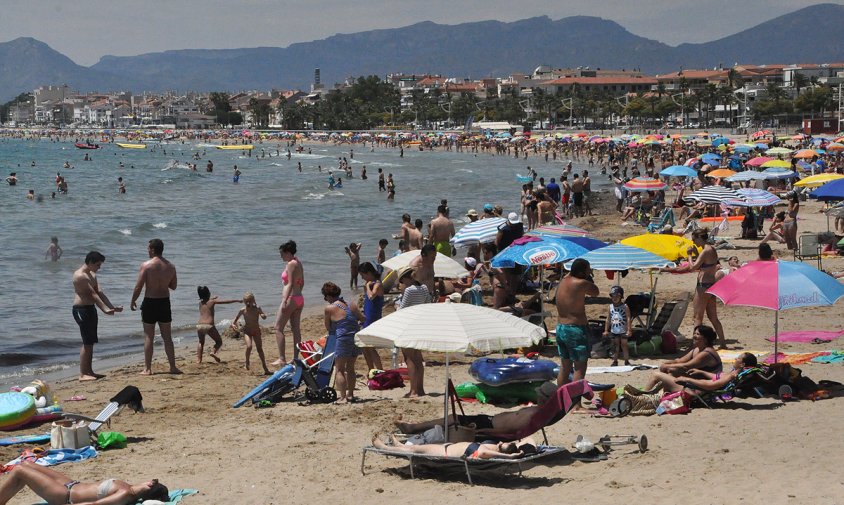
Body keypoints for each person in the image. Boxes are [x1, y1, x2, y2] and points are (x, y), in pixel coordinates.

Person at [661, 228, 727, 349]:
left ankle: (695, 344)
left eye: (694, 239)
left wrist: (689, 255)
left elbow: (692, 267)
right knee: (713, 317)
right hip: (711, 285)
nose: (693, 242)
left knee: (698, 317)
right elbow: (704, 263)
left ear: (700, 238)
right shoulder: (711, 249)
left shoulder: (706, 250)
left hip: (703, 286)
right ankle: (723, 343)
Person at [0, 462, 169, 505]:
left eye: (152, 482)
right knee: (26, 465)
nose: (149, 480)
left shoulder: (125, 494)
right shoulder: (128, 488)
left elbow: (95, 504)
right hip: (70, 484)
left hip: (64, 495)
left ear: (149, 486)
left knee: (20, 471)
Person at [130, 239, 180, 375]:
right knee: (167, 337)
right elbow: (173, 286)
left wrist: (133, 300)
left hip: (150, 302)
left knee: (148, 337)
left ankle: (147, 369)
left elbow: (139, 286)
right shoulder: (171, 266)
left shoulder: (146, 266)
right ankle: (173, 367)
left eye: (148, 249)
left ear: (152, 249)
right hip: (164, 302)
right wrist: (163, 282)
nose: (147, 251)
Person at [72, 251, 122, 381]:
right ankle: (83, 374)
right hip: (81, 310)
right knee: (86, 342)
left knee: (91, 342)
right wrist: (105, 310)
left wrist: (112, 307)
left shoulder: (92, 274)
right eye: (98, 265)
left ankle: (89, 371)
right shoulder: (80, 276)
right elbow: (92, 294)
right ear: (90, 262)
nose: (99, 267)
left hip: (90, 309)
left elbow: (99, 292)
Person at [555, 259, 599, 386]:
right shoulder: (581, 284)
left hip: (561, 328)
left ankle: (561, 400)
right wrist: (588, 277)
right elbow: (595, 292)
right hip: (575, 330)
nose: (590, 271)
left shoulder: (564, 280)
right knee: (579, 368)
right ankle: (575, 404)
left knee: (565, 367)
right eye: (588, 269)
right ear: (582, 272)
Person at [641, 325, 723, 392]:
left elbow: (686, 366)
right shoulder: (697, 350)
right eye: (694, 333)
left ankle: (643, 396)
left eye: (697, 334)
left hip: (701, 388)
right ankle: (655, 393)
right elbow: (679, 361)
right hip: (698, 382)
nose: (694, 336)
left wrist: (667, 367)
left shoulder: (706, 354)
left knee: (656, 375)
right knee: (672, 372)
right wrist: (667, 364)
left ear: (705, 338)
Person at [322, 282, 364, 404]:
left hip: (343, 338)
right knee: (350, 368)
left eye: (325, 297)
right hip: (355, 337)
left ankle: (343, 397)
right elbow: (362, 318)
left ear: (328, 296)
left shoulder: (329, 308)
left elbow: (328, 327)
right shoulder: (351, 304)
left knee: (339, 369)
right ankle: (350, 394)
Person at [644, 352, 757, 394]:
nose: (735, 359)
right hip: (696, 388)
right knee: (669, 376)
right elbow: (716, 377)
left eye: (738, 358)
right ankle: (649, 396)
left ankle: (642, 397)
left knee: (656, 375)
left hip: (694, 391)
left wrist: (688, 380)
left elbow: (711, 385)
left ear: (742, 365)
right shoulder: (732, 373)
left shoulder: (732, 376)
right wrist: (701, 371)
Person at [396, 267, 430, 397]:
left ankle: (413, 390)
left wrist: (396, 307)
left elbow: (403, 309)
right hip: (419, 325)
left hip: (408, 326)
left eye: (401, 281)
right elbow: (428, 305)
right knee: (417, 358)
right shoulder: (424, 288)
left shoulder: (409, 291)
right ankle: (420, 389)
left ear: (406, 278)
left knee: (409, 358)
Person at [371, 434, 537, 460]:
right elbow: (529, 439)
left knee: (413, 450)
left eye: (502, 444)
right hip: (447, 446)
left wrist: (510, 456)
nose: (500, 442)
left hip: (444, 452)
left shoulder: (487, 452)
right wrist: (517, 448)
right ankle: (398, 444)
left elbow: (505, 454)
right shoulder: (492, 447)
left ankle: (382, 447)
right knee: (412, 448)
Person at [274, 240, 305, 365]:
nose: (281, 256)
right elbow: (302, 282)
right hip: (299, 298)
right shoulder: (298, 262)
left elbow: (291, 283)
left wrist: (285, 299)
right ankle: (296, 357)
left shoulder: (291, 264)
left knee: (278, 328)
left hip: (291, 298)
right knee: (295, 328)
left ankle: (282, 358)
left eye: (282, 253)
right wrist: (297, 295)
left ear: (287, 252)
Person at [195, 286, 240, 364]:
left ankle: (199, 360)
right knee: (219, 341)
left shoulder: (200, 303)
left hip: (199, 325)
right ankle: (213, 352)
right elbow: (226, 301)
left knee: (201, 342)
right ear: (208, 294)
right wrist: (236, 300)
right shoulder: (212, 302)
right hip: (209, 325)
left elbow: (206, 301)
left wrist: (212, 298)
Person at [231, 292, 271, 374]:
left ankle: (265, 367)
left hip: (256, 331)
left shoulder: (257, 308)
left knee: (260, 349)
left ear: (253, 301)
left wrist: (263, 315)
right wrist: (233, 324)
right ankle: (247, 362)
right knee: (249, 346)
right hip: (247, 332)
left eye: (250, 301)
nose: (248, 303)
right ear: (244, 301)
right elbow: (235, 319)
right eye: (246, 302)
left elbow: (264, 316)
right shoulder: (243, 310)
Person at [359, 262, 385, 371]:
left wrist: (367, 287)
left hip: (373, 318)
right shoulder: (370, 284)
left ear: (369, 273)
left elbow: (371, 296)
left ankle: (379, 369)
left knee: (371, 347)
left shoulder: (377, 284)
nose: (362, 278)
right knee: (364, 346)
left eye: (363, 275)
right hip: (367, 316)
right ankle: (371, 369)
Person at [604, 286, 632, 367]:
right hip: (614, 330)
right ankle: (615, 361)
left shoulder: (625, 306)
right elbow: (608, 319)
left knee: (624, 345)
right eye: (613, 296)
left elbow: (628, 318)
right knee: (615, 346)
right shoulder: (610, 307)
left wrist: (629, 329)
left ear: (621, 296)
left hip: (623, 329)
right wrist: (606, 330)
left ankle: (626, 360)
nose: (615, 298)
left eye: (617, 296)